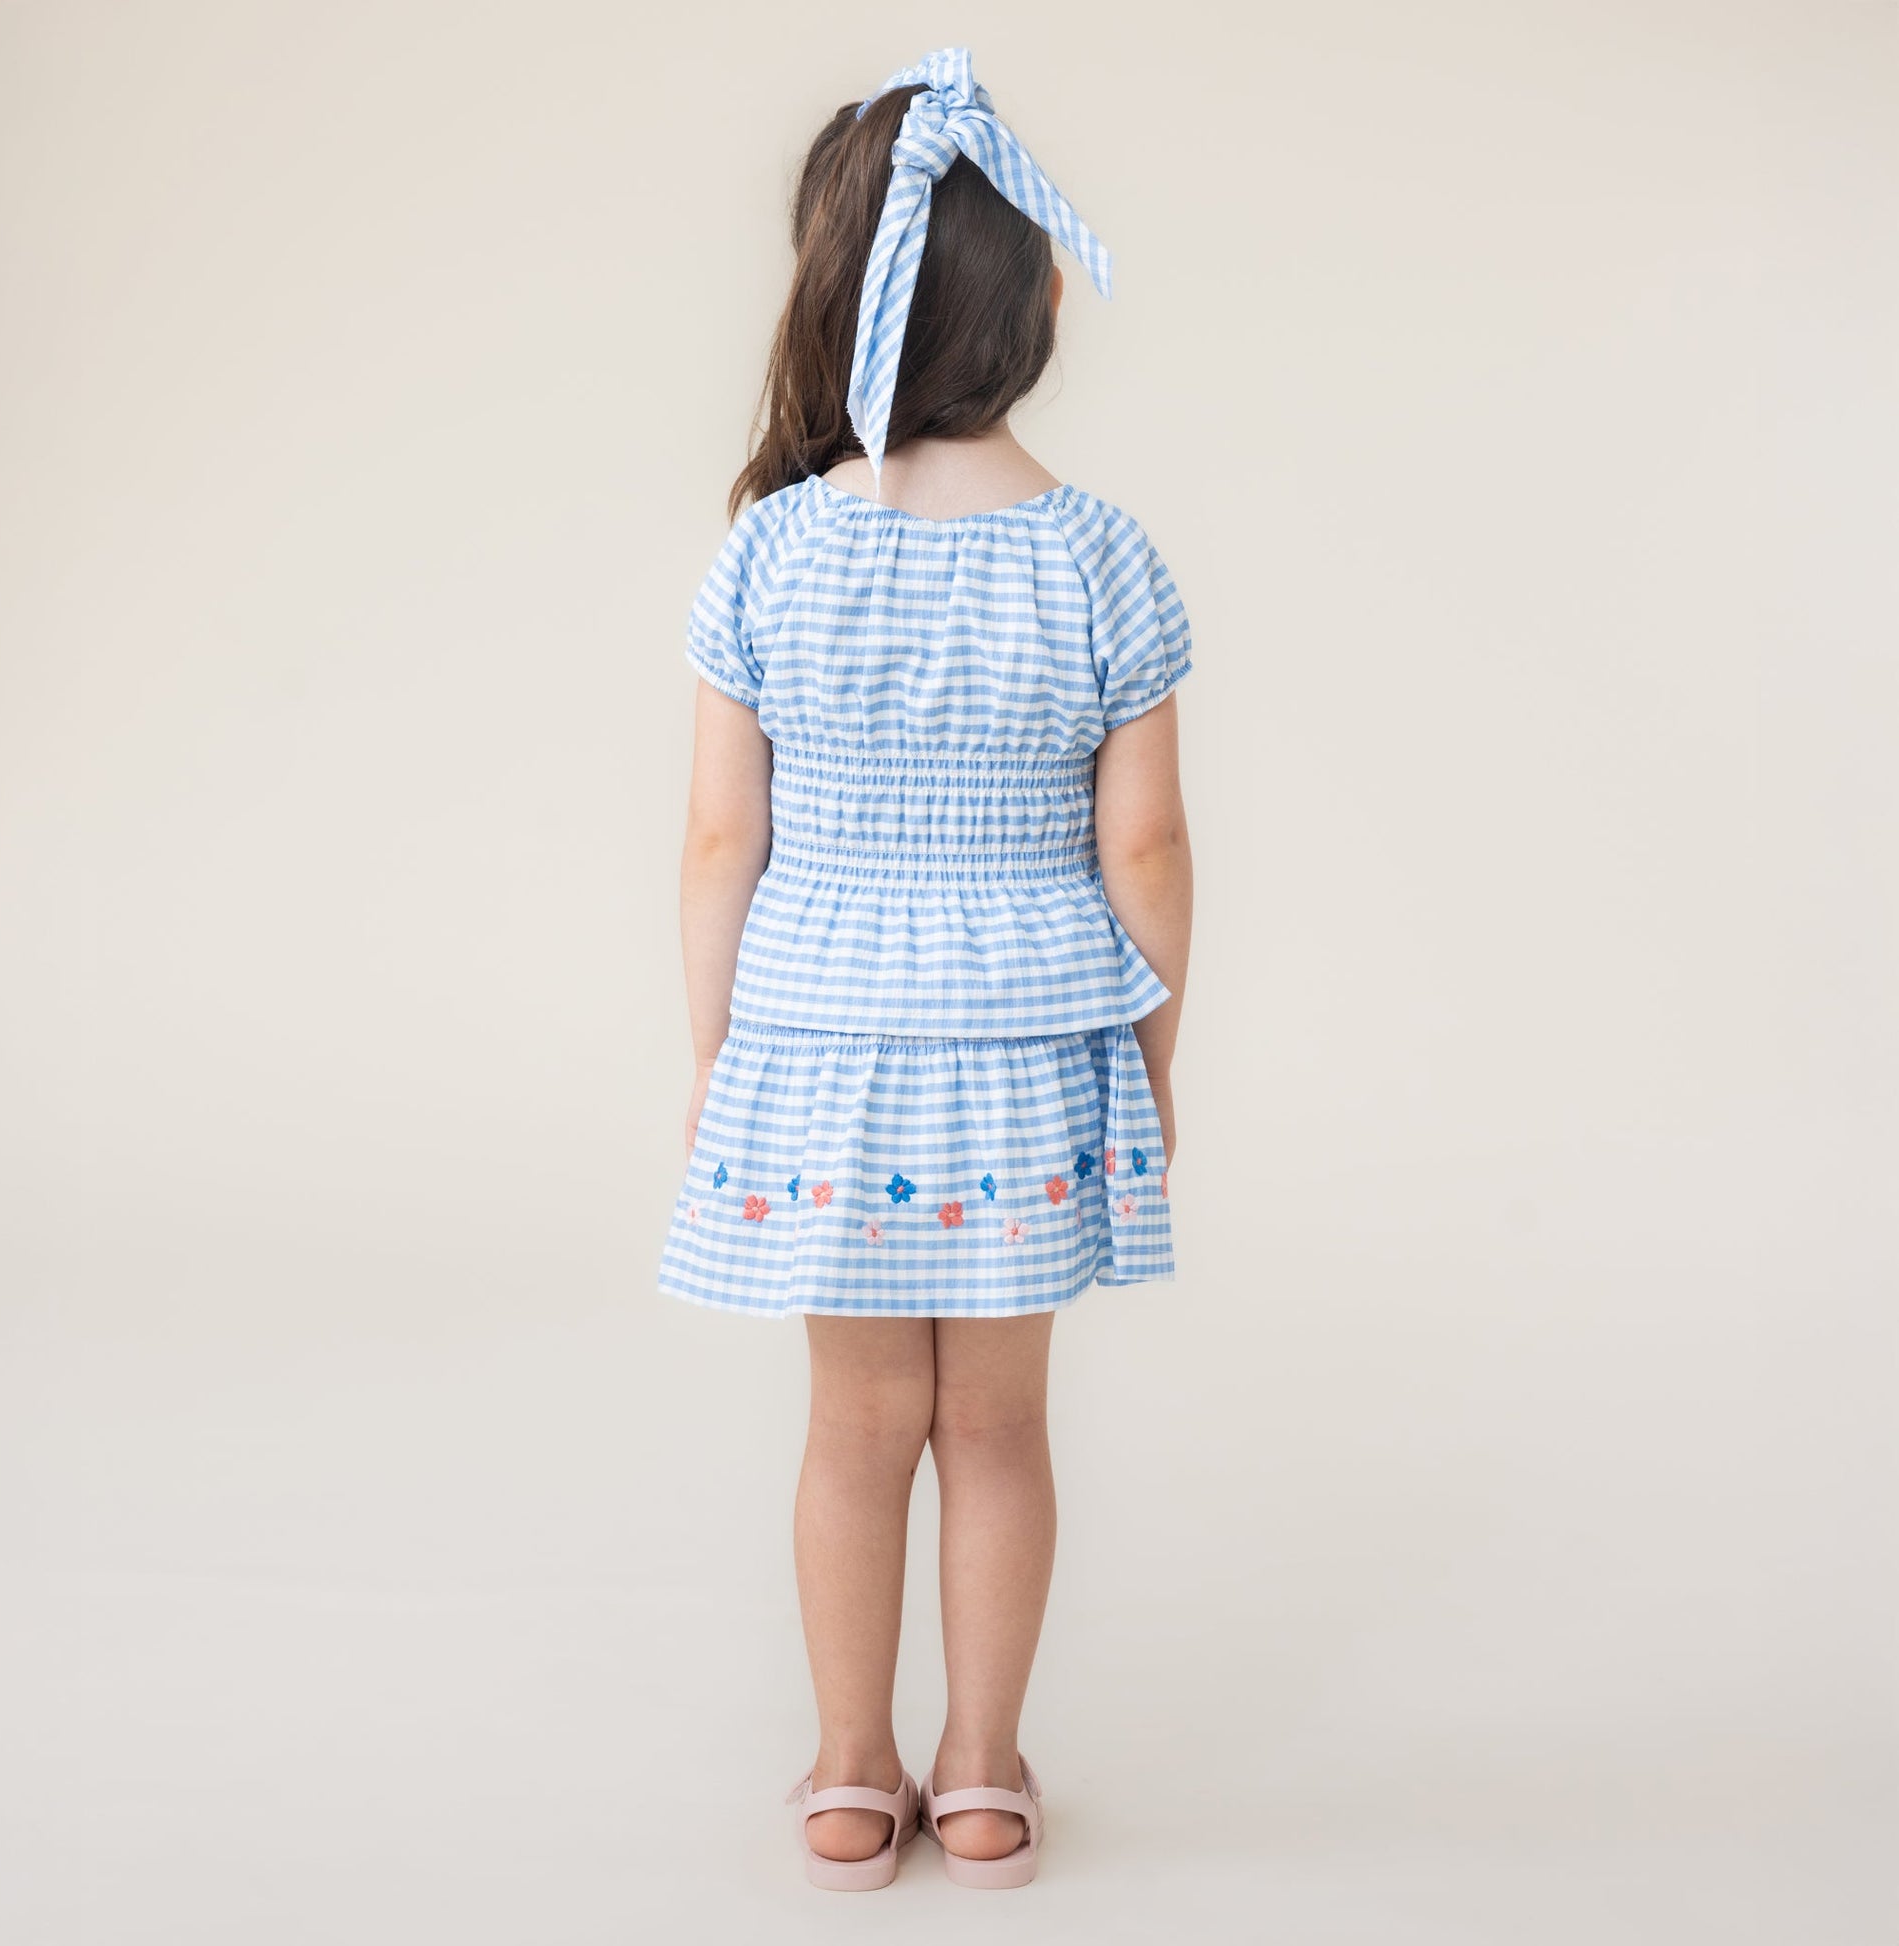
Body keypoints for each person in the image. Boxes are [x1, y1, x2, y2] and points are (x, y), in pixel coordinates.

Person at [657, 47, 1196, 1891]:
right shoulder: (1102, 557)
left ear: (830, 287)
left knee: (853, 1425)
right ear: (1038, 287)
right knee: (1002, 1424)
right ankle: (977, 1773)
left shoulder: (772, 551)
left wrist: (720, 1053)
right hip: (1030, 1042)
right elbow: (1145, 852)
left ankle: (845, 1771)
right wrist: (1153, 1055)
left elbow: (717, 842)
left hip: (822, 1042)